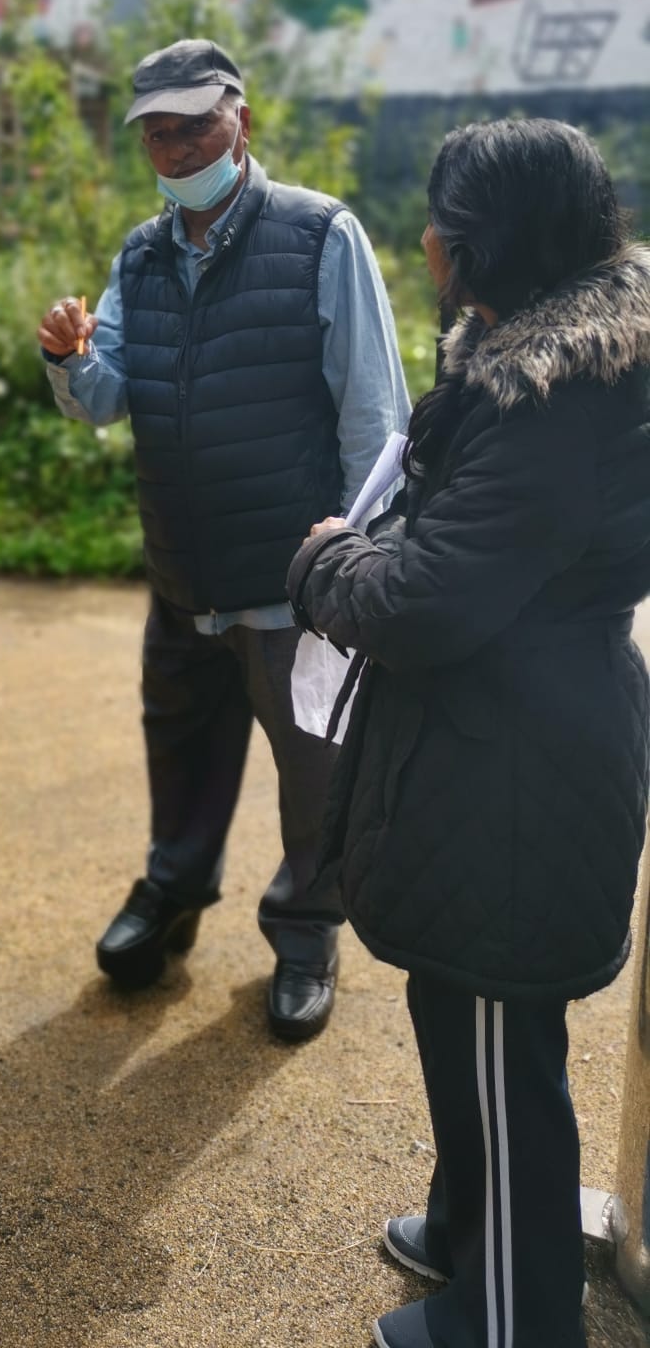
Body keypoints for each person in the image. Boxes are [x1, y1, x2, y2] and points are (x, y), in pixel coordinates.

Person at [287, 119, 650, 1348]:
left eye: (446, 224)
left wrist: (331, 558)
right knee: (464, 1016)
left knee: (497, 1042)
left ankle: (516, 1319)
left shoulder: (554, 398)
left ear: (488, 244)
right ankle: (467, 1228)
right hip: (506, 737)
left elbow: (428, 600)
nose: (429, 242)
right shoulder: (543, 349)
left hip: (517, 768)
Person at [38, 37, 411, 1039]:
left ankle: (304, 931)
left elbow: (374, 420)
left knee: (314, 776)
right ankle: (172, 895)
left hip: (296, 587)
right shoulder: (141, 253)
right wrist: (70, 359)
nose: (173, 144)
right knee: (184, 754)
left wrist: (355, 567)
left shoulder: (319, 235)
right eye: (156, 129)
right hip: (183, 571)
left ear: (238, 116)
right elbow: (107, 397)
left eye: (192, 122)